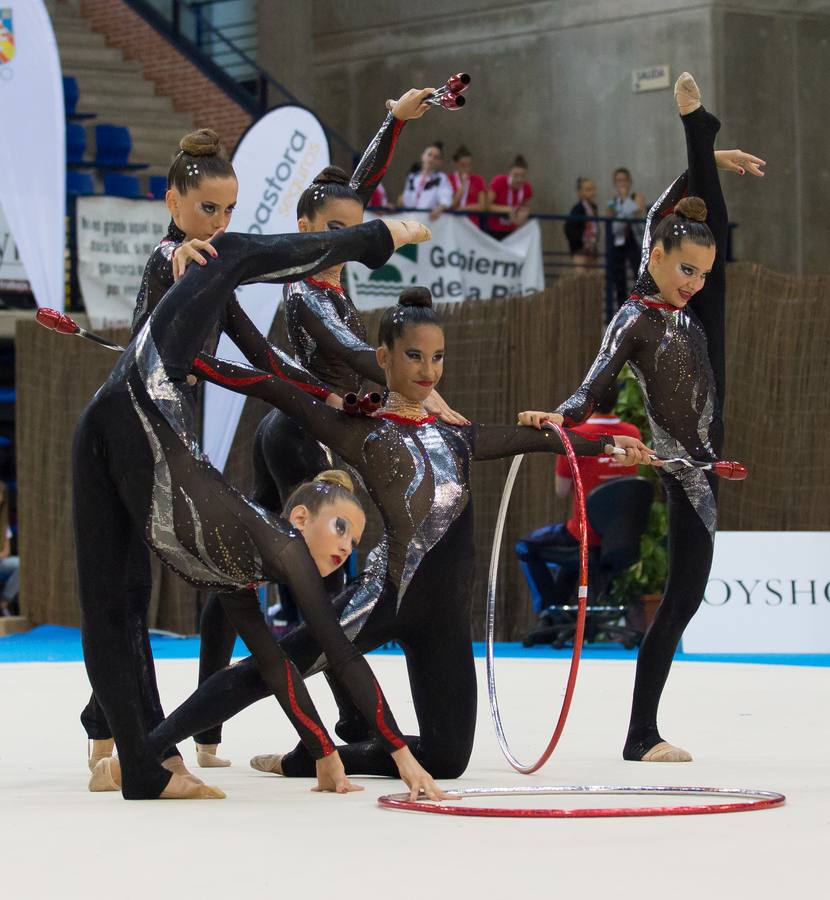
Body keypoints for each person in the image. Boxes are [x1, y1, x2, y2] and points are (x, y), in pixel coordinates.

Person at [145, 287, 656, 784]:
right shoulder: (359, 431)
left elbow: (544, 441)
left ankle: (312, 758)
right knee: (267, 671)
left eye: (437, 358)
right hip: (388, 596)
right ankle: (149, 749)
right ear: (383, 359)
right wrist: (188, 361)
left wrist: (612, 443)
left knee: (447, 757)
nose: (428, 370)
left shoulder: (458, 434)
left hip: (446, 618)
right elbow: (272, 386)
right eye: (414, 356)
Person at [71, 203, 433, 799]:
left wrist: (322, 752)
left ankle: (141, 764)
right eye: (341, 527)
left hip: (113, 420)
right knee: (231, 252)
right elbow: (340, 655)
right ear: (298, 517)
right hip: (145, 398)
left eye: (353, 538)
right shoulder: (284, 553)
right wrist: (401, 754)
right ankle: (374, 238)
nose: (346, 547)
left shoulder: (238, 569)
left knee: (110, 603)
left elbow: (273, 663)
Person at [192, 88, 468, 766]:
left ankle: (214, 726)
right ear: (307, 225)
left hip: (291, 432)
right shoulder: (305, 288)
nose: (347, 239)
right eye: (334, 229)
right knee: (322, 587)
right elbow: (350, 358)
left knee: (243, 569)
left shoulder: (333, 272)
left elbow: (359, 185)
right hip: (298, 440)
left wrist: (392, 121)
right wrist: (409, 388)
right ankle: (340, 725)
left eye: (354, 227)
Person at [518, 73, 765, 763]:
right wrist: (561, 415)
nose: (692, 281)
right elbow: (596, 383)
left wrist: (703, 160)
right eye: (684, 268)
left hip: (706, 450)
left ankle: (700, 127)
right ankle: (640, 733)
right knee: (681, 602)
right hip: (688, 469)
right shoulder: (636, 318)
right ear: (654, 257)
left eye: (702, 273)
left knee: (686, 599)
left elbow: (668, 211)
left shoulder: (689, 306)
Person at [80, 128, 239, 780]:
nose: (220, 222)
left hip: (178, 433)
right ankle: (121, 731)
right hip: (144, 436)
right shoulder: (165, 259)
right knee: (134, 586)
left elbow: (221, 350)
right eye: (208, 208)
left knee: (214, 577)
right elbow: (154, 343)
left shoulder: (213, 260)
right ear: (174, 202)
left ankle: (161, 728)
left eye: (230, 210)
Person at [515, 380, 642, 609]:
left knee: (526, 546)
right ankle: (563, 615)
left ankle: (549, 610)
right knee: (568, 553)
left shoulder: (575, 436)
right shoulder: (632, 434)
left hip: (583, 535)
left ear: (587, 403)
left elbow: (561, 490)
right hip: (621, 537)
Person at [608, 167, 647, 306]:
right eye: (618, 180)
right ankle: (620, 307)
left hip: (634, 239)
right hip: (618, 240)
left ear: (629, 182)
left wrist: (624, 201)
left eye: (624, 180)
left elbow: (638, 209)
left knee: (638, 272)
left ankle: (639, 305)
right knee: (619, 277)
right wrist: (625, 209)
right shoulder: (612, 201)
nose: (621, 183)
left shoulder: (637, 196)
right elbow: (609, 216)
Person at [398, 140, 453, 220]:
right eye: (429, 155)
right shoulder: (412, 177)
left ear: (440, 162)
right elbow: (405, 199)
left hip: (428, 221)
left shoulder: (441, 178)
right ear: (423, 156)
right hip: (409, 220)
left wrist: (440, 208)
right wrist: (402, 200)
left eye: (436, 157)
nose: (431, 159)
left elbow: (446, 198)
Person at [486, 155, 533, 239]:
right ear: (509, 174)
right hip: (491, 229)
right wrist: (507, 209)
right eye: (515, 175)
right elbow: (486, 205)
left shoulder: (526, 188)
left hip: (512, 231)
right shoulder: (499, 181)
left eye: (522, 176)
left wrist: (524, 212)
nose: (519, 179)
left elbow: (525, 205)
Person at [564, 176, 599, 271]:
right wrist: (579, 242)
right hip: (580, 249)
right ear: (580, 193)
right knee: (581, 275)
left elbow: (595, 226)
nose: (591, 192)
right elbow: (568, 228)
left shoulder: (593, 207)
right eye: (588, 189)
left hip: (592, 248)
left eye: (593, 189)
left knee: (592, 275)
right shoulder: (577, 209)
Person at [448, 144, 487, 226]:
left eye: (468, 165)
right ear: (456, 164)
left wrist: (465, 208)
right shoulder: (449, 179)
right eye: (463, 165)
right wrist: (462, 185)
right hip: (453, 222)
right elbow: (450, 204)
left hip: (472, 223)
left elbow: (482, 206)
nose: (466, 168)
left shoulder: (478, 180)